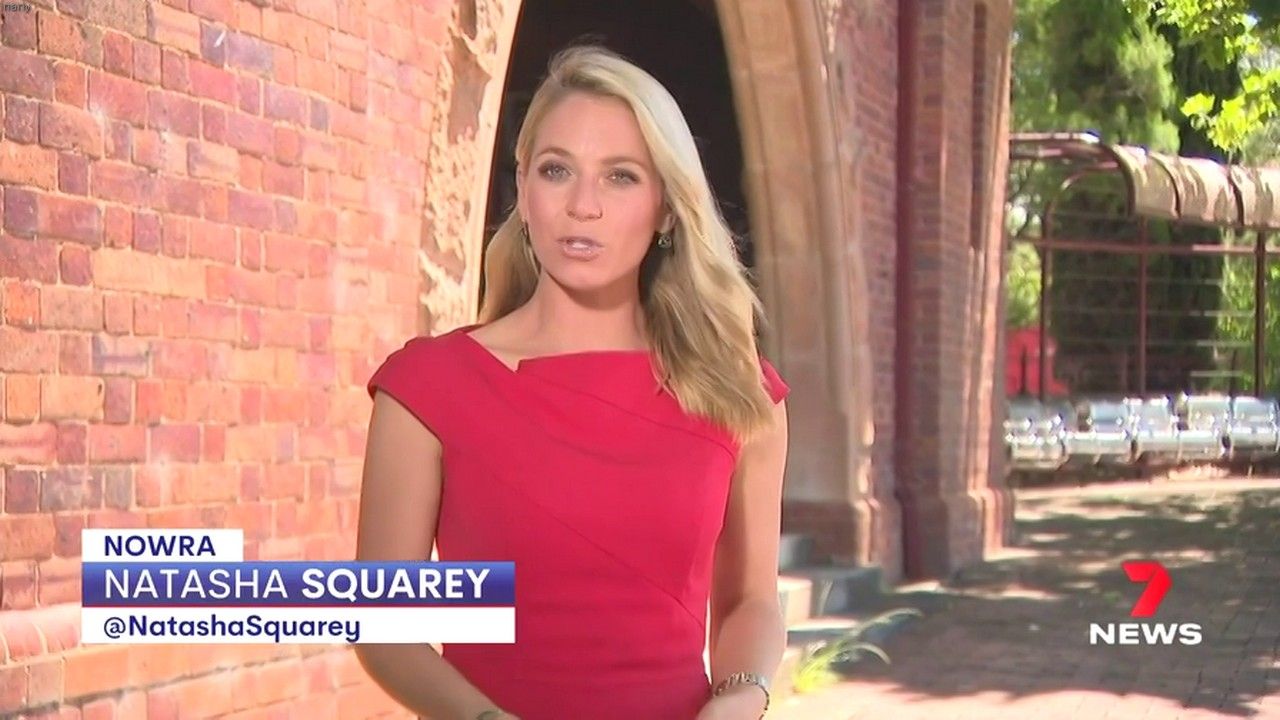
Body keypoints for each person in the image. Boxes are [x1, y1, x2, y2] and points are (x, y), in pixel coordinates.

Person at [355, 45, 791, 720]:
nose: (582, 206)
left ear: (667, 209)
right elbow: (385, 628)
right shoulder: (428, 388)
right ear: (524, 190)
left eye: (620, 177)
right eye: (557, 170)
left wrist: (741, 699)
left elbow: (751, 603)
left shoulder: (738, 392)